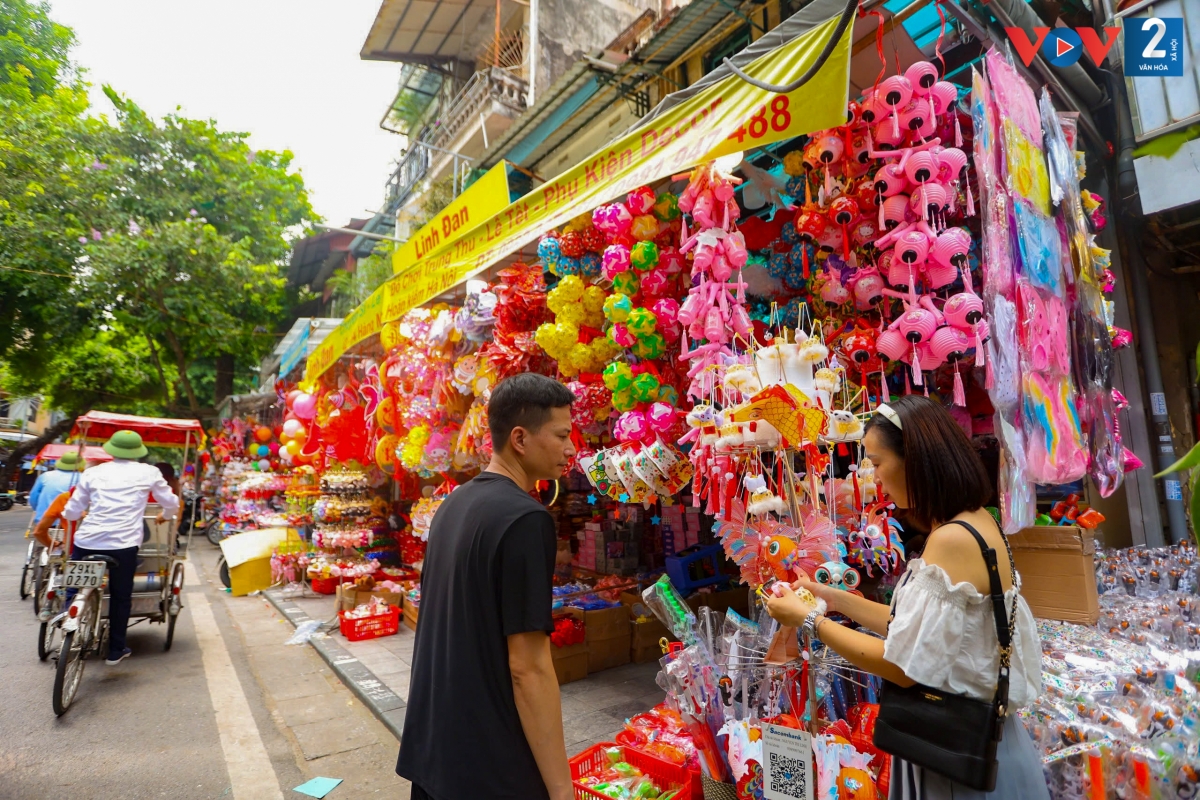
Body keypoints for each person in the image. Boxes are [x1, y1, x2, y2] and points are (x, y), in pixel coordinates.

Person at [765, 396, 1047, 800]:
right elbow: (912, 628)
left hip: (955, 756)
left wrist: (810, 621)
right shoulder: (975, 520)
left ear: (915, 459)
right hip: (971, 741)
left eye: (877, 464)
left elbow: (902, 665)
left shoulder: (951, 539)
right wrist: (830, 597)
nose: (875, 478)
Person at [396, 373, 577, 800]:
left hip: (435, 753)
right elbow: (528, 669)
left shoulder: (453, 504)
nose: (570, 449)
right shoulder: (526, 520)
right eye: (561, 435)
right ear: (519, 438)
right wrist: (562, 790)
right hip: (489, 768)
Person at [62, 430, 179, 666]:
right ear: (138, 451)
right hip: (123, 546)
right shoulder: (149, 472)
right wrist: (166, 515)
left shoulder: (93, 472)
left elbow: (73, 510)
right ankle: (116, 649)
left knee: (73, 587)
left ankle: (67, 615)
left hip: (86, 541)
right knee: (120, 596)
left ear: (111, 449)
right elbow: (170, 503)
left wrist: (72, 514)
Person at [28, 450, 83, 524]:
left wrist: (39, 510)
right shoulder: (83, 478)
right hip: (69, 523)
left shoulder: (45, 476)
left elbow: (33, 498)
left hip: (43, 520)